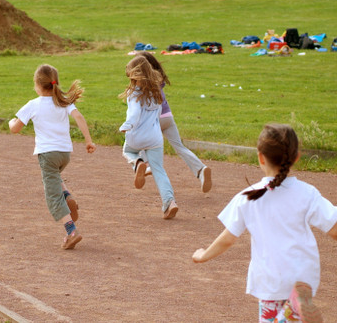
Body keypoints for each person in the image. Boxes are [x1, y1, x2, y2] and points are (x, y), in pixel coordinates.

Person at [192, 124, 337, 322]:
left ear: (260, 157)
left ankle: (291, 311)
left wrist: (203, 255)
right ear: (296, 157)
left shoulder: (248, 197)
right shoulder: (308, 193)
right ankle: (293, 309)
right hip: (303, 276)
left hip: (270, 279)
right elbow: (334, 228)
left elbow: (228, 238)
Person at [9, 64, 96, 250]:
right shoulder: (63, 101)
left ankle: (71, 231)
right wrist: (88, 141)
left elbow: (15, 128)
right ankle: (67, 195)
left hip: (47, 155)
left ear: (37, 85)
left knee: (52, 196)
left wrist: (10, 122)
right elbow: (79, 118)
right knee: (55, 178)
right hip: (65, 154)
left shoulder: (33, 104)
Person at [137, 51, 212, 193]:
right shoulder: (158, 78)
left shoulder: (142, 82)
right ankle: (201, 169)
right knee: (180, 147)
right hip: (168, 117)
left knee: (138, 139)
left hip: (155, 119)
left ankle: (145, 166)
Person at [119, 55, 178, 219]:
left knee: (128, 151)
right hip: (155, 137)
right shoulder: (157, 93)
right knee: (159, 170)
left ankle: (138, 164)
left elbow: (135, 112)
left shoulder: (134, 94)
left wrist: (127, 125)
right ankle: (170, 202)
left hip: (136, 135)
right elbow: (158, 113)